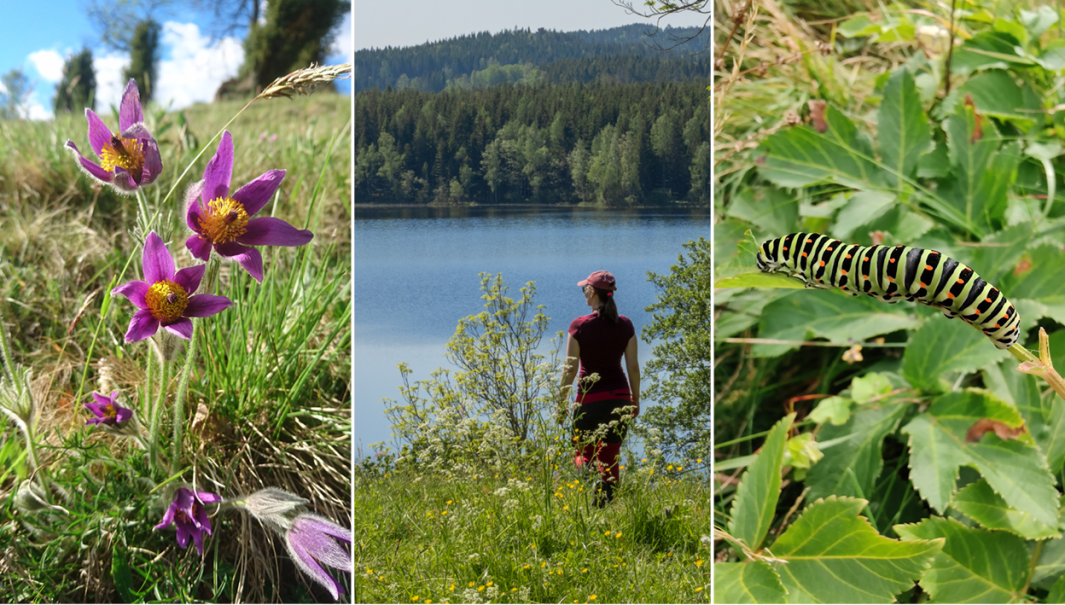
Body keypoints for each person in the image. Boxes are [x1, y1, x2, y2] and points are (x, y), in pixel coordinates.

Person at [557, 270, 640, 506]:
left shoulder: (579, 326)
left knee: (583, 455)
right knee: (610, 459)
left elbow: (570, 369)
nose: (584, 293)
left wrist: (561, 403)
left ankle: (592, 479)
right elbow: (633, 367)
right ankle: (604, 513)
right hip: (620, 399)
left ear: (592, 292)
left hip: (590, 401)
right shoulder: (626, 325)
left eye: (585, 289)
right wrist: (636, 399)